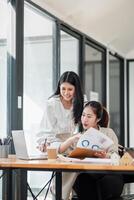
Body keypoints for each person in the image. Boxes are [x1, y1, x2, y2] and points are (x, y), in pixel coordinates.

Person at [58, 101, 124, 200]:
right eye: (83, 115)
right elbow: (63, 154)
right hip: (86, 174)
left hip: (107, 173)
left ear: (98, 119)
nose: (85, 119)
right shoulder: (78, 137)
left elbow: (116, 156)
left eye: (89, 116)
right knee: (82, 179)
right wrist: (71, 141)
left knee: (108, 182)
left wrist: (105, 155)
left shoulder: (108, 133)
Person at [37, 71, 84, 152]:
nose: (66, 93)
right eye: (63, 89)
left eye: (70, 89)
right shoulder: (52, 103)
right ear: (59, 87)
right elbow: (46, 130)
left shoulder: (81, 102)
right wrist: (44, 143)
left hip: (71, 144)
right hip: (54, 143)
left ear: (76, 89)